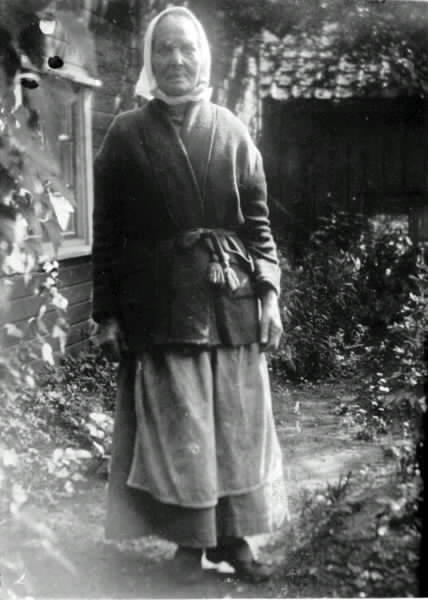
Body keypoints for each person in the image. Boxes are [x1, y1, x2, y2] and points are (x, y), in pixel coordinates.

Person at [92, 6, 288, 584]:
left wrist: (270, 294)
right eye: (165, 49)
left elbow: (259, 226)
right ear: (150, 59)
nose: (176, 59)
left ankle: (234, 540)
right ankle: (189, 541)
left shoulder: (232, 128)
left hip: (231, 301)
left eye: (187, 48)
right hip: (160, 305)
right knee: (182, 431)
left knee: (236, 427)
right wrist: (106, 314)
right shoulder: (125, 132)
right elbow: (107, 233)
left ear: (204, 55)